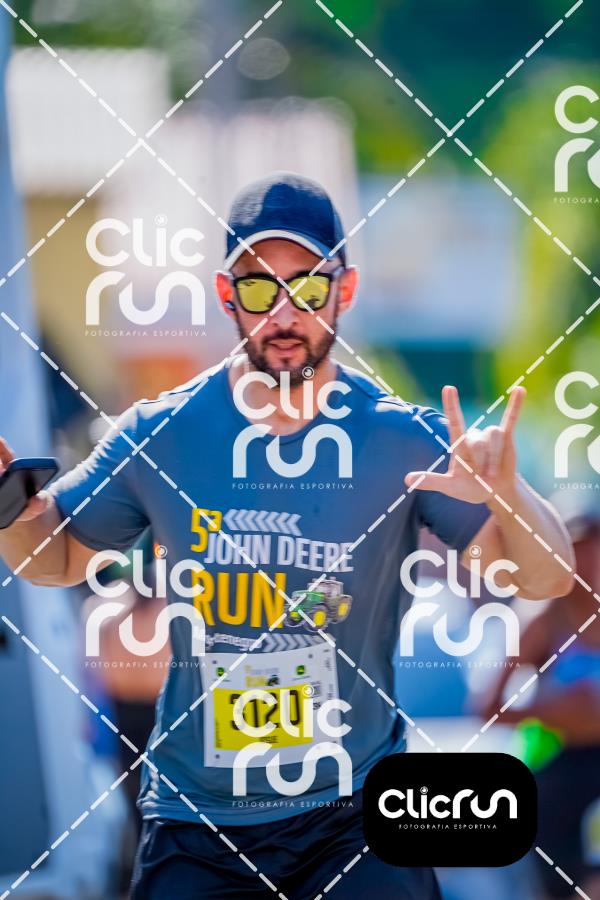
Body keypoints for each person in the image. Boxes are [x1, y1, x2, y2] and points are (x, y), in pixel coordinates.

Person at [0, 173, 574, 899]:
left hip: (356, 814)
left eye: (306, 285)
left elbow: (546, 578)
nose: (283, 312)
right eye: (258, 286)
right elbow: (53, 558)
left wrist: (509, 494)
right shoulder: (162, 432)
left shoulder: (402, 438)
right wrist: (12, 510)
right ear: (226, 294)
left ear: (345, 289)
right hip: (199, 819)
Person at [480, 513, 600, 898]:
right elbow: (487, 708)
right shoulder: (544, 618)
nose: (589, 567)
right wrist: (553, 711)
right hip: (557, 766)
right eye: (579, 554)